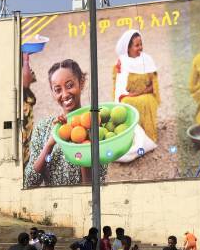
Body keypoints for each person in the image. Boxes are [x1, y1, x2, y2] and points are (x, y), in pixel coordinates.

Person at [24, 58, 107, 187]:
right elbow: (29, 182)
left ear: (82, 82)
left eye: (69, 86)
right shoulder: (43, 128)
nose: (65, 94)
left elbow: (94, 188)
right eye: (57, 89)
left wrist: (80, 149)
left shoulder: (96, 126)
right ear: (52, 93)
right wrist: (50, 144)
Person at [113, 30, 160, 142]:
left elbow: (154, 86)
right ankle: (132, 136)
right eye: (137, 45)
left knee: (146, 101)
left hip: (147, 94)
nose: (140, 48)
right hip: (128, 96)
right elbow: (119, 88)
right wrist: (129, 95)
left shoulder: (147, 59)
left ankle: (148, 136)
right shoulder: (122, 62)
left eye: (141, 44)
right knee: (125, 103)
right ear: (128, 48)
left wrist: (139, 93)